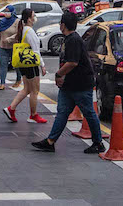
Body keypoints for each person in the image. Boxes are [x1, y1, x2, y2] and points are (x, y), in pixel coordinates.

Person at [31, 11, 106, 154]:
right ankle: (50, 141)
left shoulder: (74, 40)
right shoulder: (69, 39)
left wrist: (59, 74)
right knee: (62, 113)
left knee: (89, 113)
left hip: (80, 84)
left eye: (60, 23)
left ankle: (98, 142)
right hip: (69, 85)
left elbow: (72, 62)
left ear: (63, 25)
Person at [4, 8, 47, 124]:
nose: (35, 17)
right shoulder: (30, 31)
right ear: (29, 19)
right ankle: (33, 115)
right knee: (34, 90)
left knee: (27, 89)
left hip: (23, 63)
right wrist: (42, 65)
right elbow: (36, 51)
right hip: (31, 63)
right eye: (33, 15)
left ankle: (11, 109)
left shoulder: (22, 29)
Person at [0, 5, 21, 91]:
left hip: (14, 46)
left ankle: (18, 80)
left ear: (12, 12)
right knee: (3, 64)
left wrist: (10, 39)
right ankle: (2, 83)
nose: (6, 13)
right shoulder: (3, 21)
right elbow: (0, 32)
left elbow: (18, 33)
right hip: (3, 46)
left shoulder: (17, 21)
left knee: (16, 64)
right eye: (5, 11)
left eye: (8, 11)